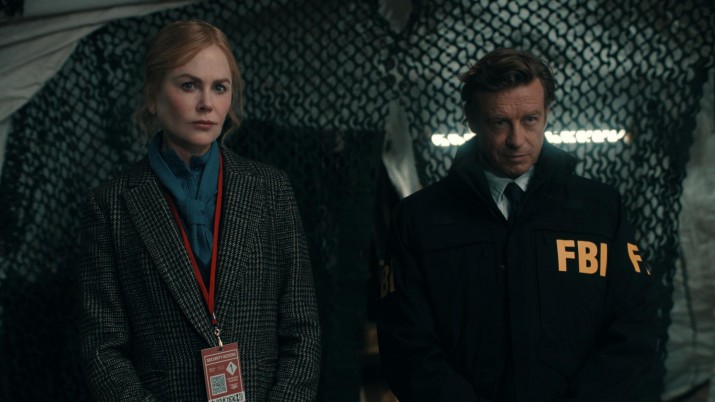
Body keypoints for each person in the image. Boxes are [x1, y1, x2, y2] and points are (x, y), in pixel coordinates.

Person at [376, 48, 658, 401]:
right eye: (499, 122)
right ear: (471, 120)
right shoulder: (418, 218)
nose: (516, 140)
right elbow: (406, 344)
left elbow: (634, 327)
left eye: (530, 119)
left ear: (547, 114)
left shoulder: (600, 209)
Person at [78, 20, 320, 401]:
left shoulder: (270, 190)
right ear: (152, 96)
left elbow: (302, 329)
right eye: (189, 85)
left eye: (219, 87)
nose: (207, 103)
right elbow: (101, 348)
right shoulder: (111, 206)